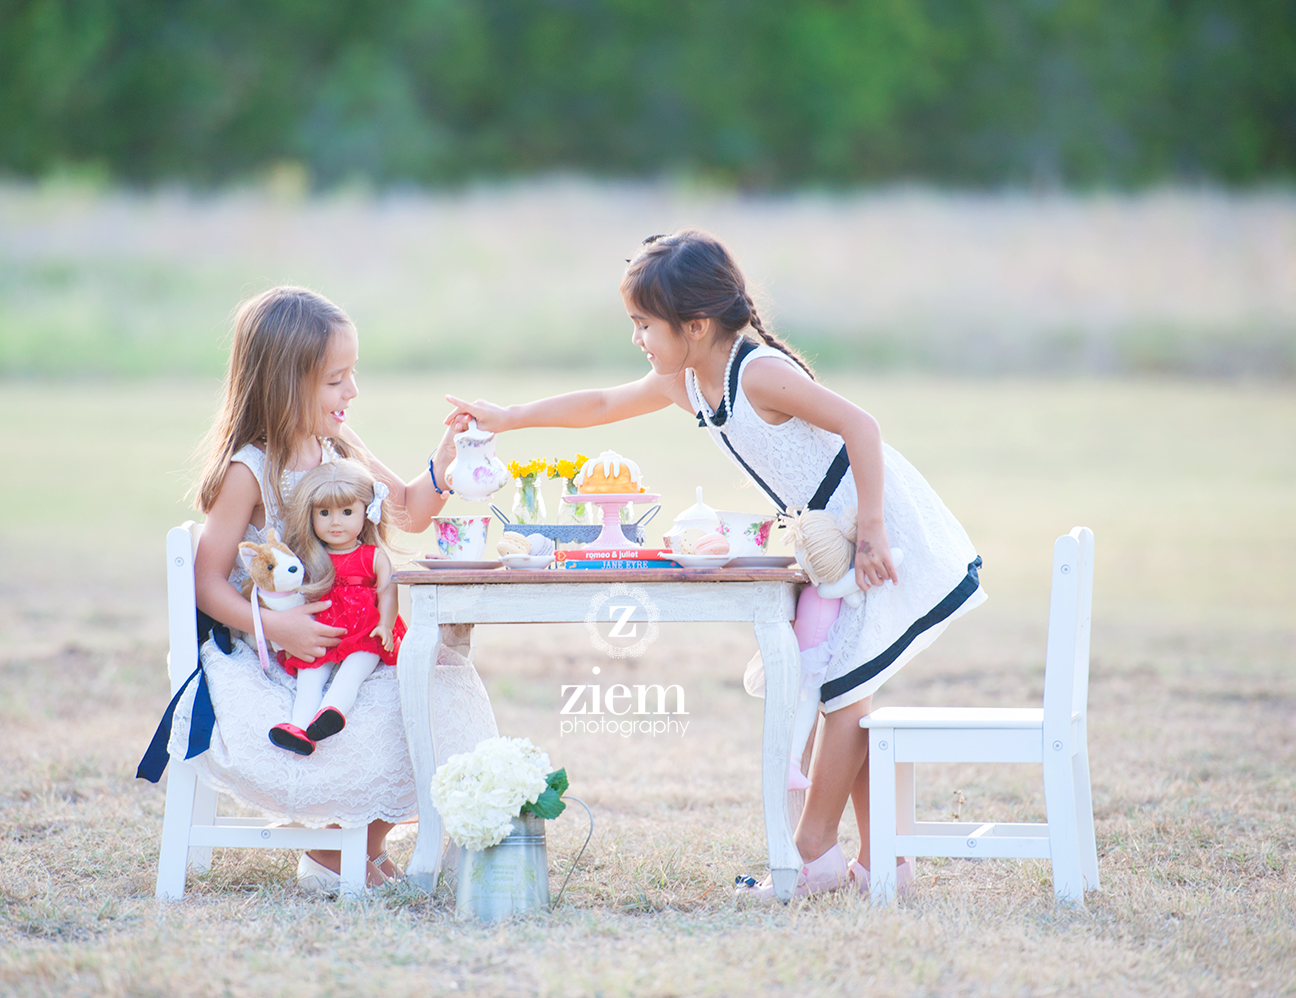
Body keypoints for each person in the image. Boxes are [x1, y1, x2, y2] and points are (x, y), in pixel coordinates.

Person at [445, 230, 985, 898]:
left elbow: (862, 427)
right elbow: (605, 404)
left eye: (644, 325)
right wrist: (510, 416)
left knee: (844, 691)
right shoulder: (691, 381)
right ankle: (886, 866)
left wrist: (871, 526)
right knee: (849, 689)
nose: (637, 338)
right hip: (834, 543)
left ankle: (811, 855)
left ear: (695, 326)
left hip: (880, 536)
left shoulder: (757, 372)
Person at [188, 285, 493, 891]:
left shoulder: (338, 448)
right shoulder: (251, 469)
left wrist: (448, 455)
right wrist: (279, 627)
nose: (352, 392)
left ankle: (359, 845)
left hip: (351, 637)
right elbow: (205, 583)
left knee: (432, 685)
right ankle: (333, 853)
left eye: (351, 375)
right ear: (285, 382)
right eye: (336, 380)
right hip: (284, 656)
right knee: (388, 705)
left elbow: (407, 511)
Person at [268, 460, 407, 756]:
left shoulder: (373, 556)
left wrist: (385, 624)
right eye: (324, 513)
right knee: (310, 674)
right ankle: (298, 727)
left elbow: (388, 591)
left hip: (365, 630)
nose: (335, 522)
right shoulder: (310, 558)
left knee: (353, 671)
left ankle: (332, 712)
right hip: (323, 630)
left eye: (347, 512)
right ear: (311, 516)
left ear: (366, 514)